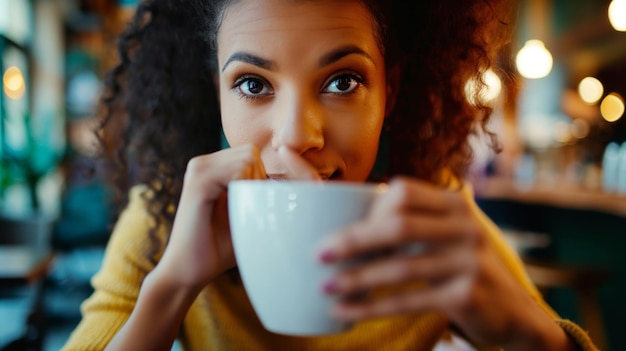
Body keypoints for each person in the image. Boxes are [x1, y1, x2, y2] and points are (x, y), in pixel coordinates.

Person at [63, 0, 598, 350]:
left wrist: (531, 337)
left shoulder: (430, 216)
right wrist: (173, 284)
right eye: (252, 84)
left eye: (342, 82)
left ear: (390, 89)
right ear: (215, 93)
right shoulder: (167, 217)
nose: (297, 135)